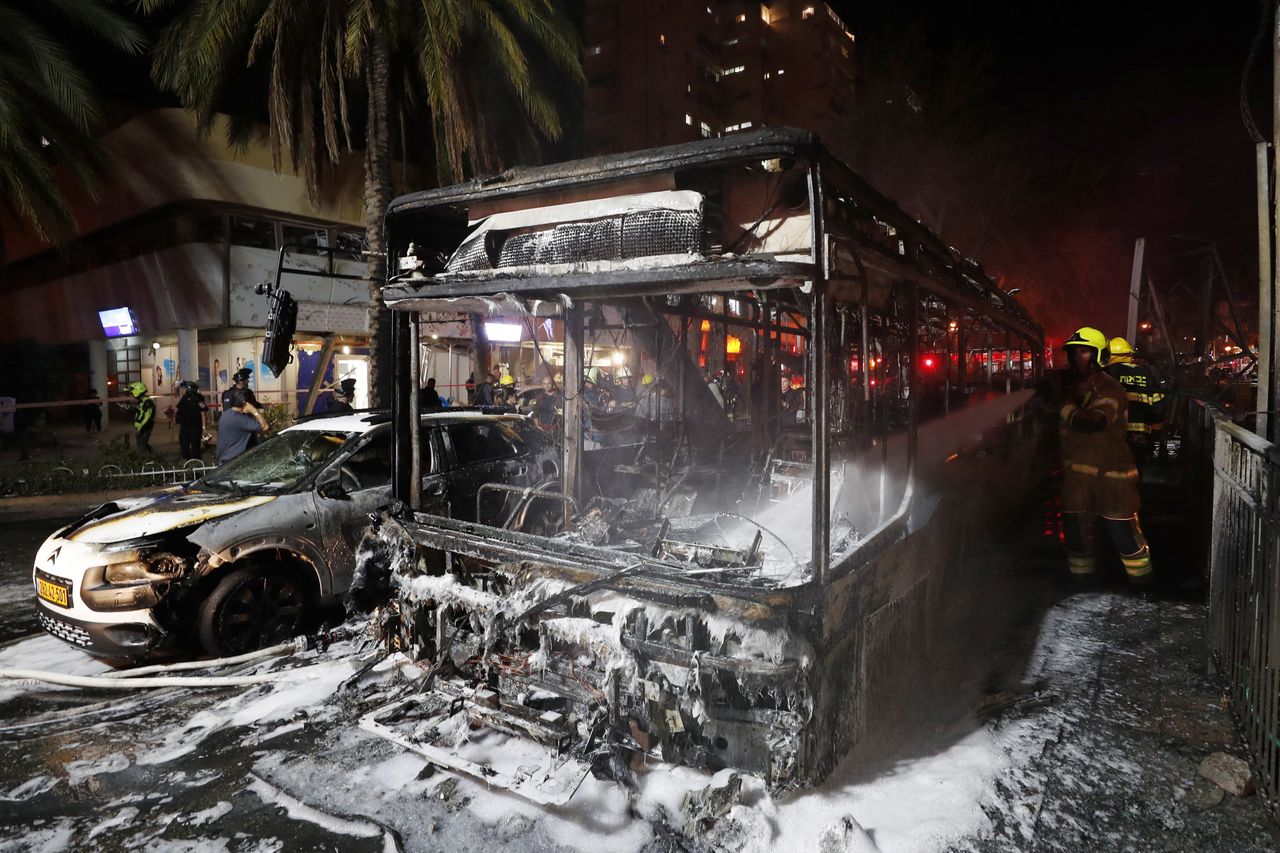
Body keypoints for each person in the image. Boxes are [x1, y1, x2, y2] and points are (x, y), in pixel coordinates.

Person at [1043, 327, 1152, 587]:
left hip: (1112, 477)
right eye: (1074, 352)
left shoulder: (1109, 387)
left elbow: (1092, 423)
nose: (1077, 357)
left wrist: (1061, 404)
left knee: (1124, 537)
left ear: (1099, 355)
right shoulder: (1075, 387)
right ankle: (1081, 587)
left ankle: (1144, 588)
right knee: (1076, 538)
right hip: (1076, 479)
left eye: (1084, 351)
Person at [1105, 337, 1166, 468]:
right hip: (1139, 438)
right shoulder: (1144, 373)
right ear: (1129, 354)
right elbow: (1158, 406)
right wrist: (1156, 433)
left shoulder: (1105, 374)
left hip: (1111, 436)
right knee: (1136, 472)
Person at [216, 388, 268, 464]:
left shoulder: (226, 414)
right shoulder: (241, 419)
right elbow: (265, 426)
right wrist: (253, 410)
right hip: (233, 462)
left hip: (225, 459)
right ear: (245, 403)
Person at [175, 381, 208, 460]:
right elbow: (179, 410)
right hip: (185, 427)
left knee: (195, 449)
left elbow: (203, 413)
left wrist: (204, 428)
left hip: (195, 427)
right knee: (184, 447)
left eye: (185, 388)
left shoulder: (198, 399)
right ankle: (187, 464)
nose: (183, 390)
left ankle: (196, 465)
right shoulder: (184, 398)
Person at [128, 381, 156, 454]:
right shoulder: (142, 401)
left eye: (132, 392)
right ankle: (153, 458)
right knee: (143, 444)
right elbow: (140, 412)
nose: (132, 395)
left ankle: (147, 462)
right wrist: (130, 408)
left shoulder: (147, 402)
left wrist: (140, 428)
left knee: (142, 446)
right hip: (141, 427)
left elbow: (147, 418)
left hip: (145, 427)